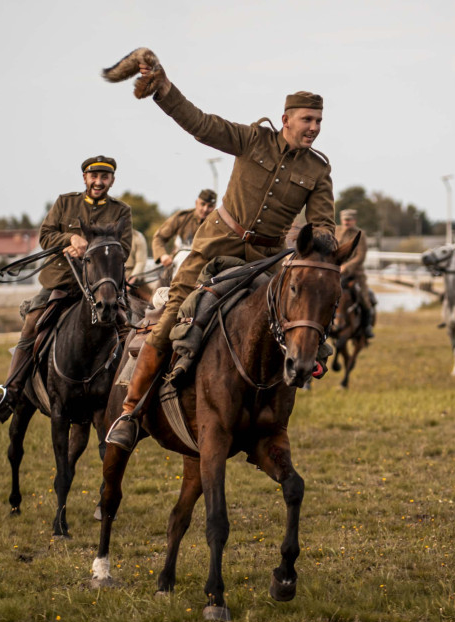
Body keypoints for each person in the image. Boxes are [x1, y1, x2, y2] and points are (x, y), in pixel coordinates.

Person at [104, 54, 336, 451]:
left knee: (300, 314)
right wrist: (162, 88)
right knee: (172, 317)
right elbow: (200, 124)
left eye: (318, 121)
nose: (314, 128)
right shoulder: (251, 139)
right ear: (286, 119)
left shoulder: (318, 171)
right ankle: (129, 411)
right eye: (307, 120)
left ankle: (272, 407)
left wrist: (325, 239)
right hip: (214, 247)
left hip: (264, 261)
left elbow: (324, 222)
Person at [0, 156, 133, 422]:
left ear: (112, 181)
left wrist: (94, 250)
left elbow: (124, 248)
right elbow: (46, 234)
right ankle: (9, 394)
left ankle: (133, 396)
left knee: (130, 328)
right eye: (93, 177)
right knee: (33, 324)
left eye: (104, 177)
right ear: (85, 178)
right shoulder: (65, 203)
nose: (98, 182)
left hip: (100, 289)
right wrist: (68, 239)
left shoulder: (121, 211)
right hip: (61, 282)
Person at [151, 189, 217, 269]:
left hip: (205, 267)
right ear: (196, 203)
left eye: (210, 206)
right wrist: (163, 255)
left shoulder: (217, 224)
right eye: (202, 204)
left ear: (214, 207)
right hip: (178, 264)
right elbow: (159, 237)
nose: (205, 209)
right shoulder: (182, 218)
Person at [335, 208, 375, 338]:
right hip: (336, 272)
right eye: (345, 219)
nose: (347, 222)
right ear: (341, 220)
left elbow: (361, 255)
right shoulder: (335, 231)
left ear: (354, 221)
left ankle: (367, 326)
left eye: (349, 220)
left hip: (355, 273)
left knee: (364, 297)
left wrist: (346, 267)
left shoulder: (360, 234)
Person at [124, 227, 150, 297]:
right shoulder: (108, 237)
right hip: (113, 279)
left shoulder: (137, 237)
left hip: (134, 279)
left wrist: (131, 279)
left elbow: (141, 262)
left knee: (151, 302)